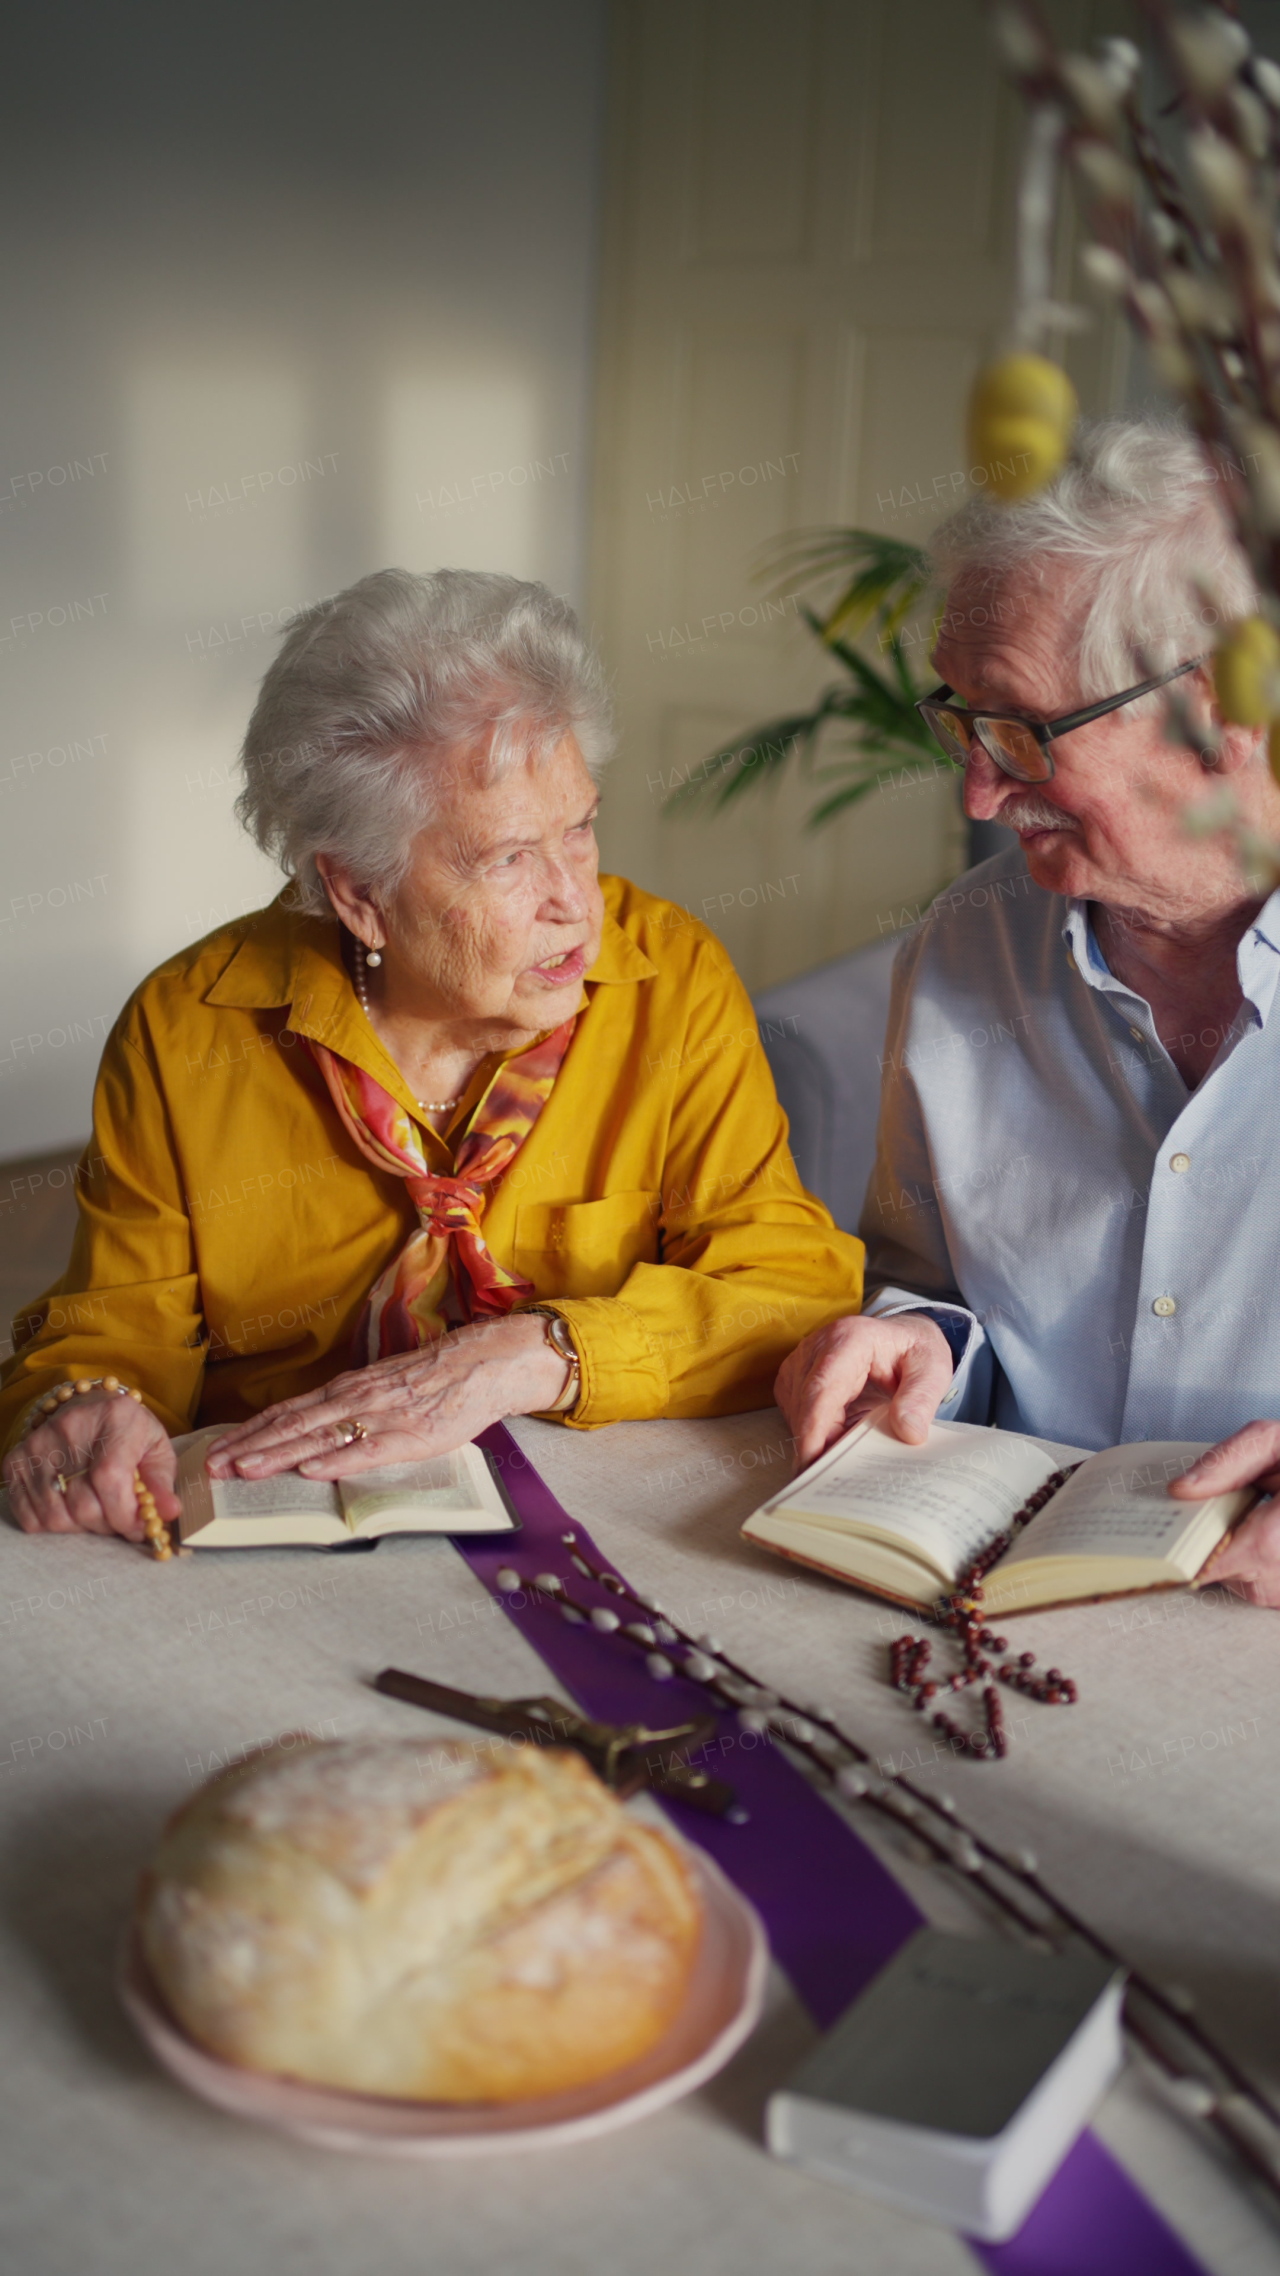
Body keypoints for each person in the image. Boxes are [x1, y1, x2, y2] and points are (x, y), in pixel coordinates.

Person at [2, 568, 864, 1543]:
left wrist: (538, 1352)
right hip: (283, 1526)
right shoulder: (186, 1028)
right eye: (507, 858)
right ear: (358, 892)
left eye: (578, 829)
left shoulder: (670, 983)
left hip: (601, 1511)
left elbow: (791, 1289)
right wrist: (83, 1404)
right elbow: (113, 1331)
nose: (575, 901)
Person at [776, 419, 1280, 1606]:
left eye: (1022, 729)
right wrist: (917, 1341)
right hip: (1010, 1604)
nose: (977, 788)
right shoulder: (966, 947)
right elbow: (929, 1274)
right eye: (958, 717)